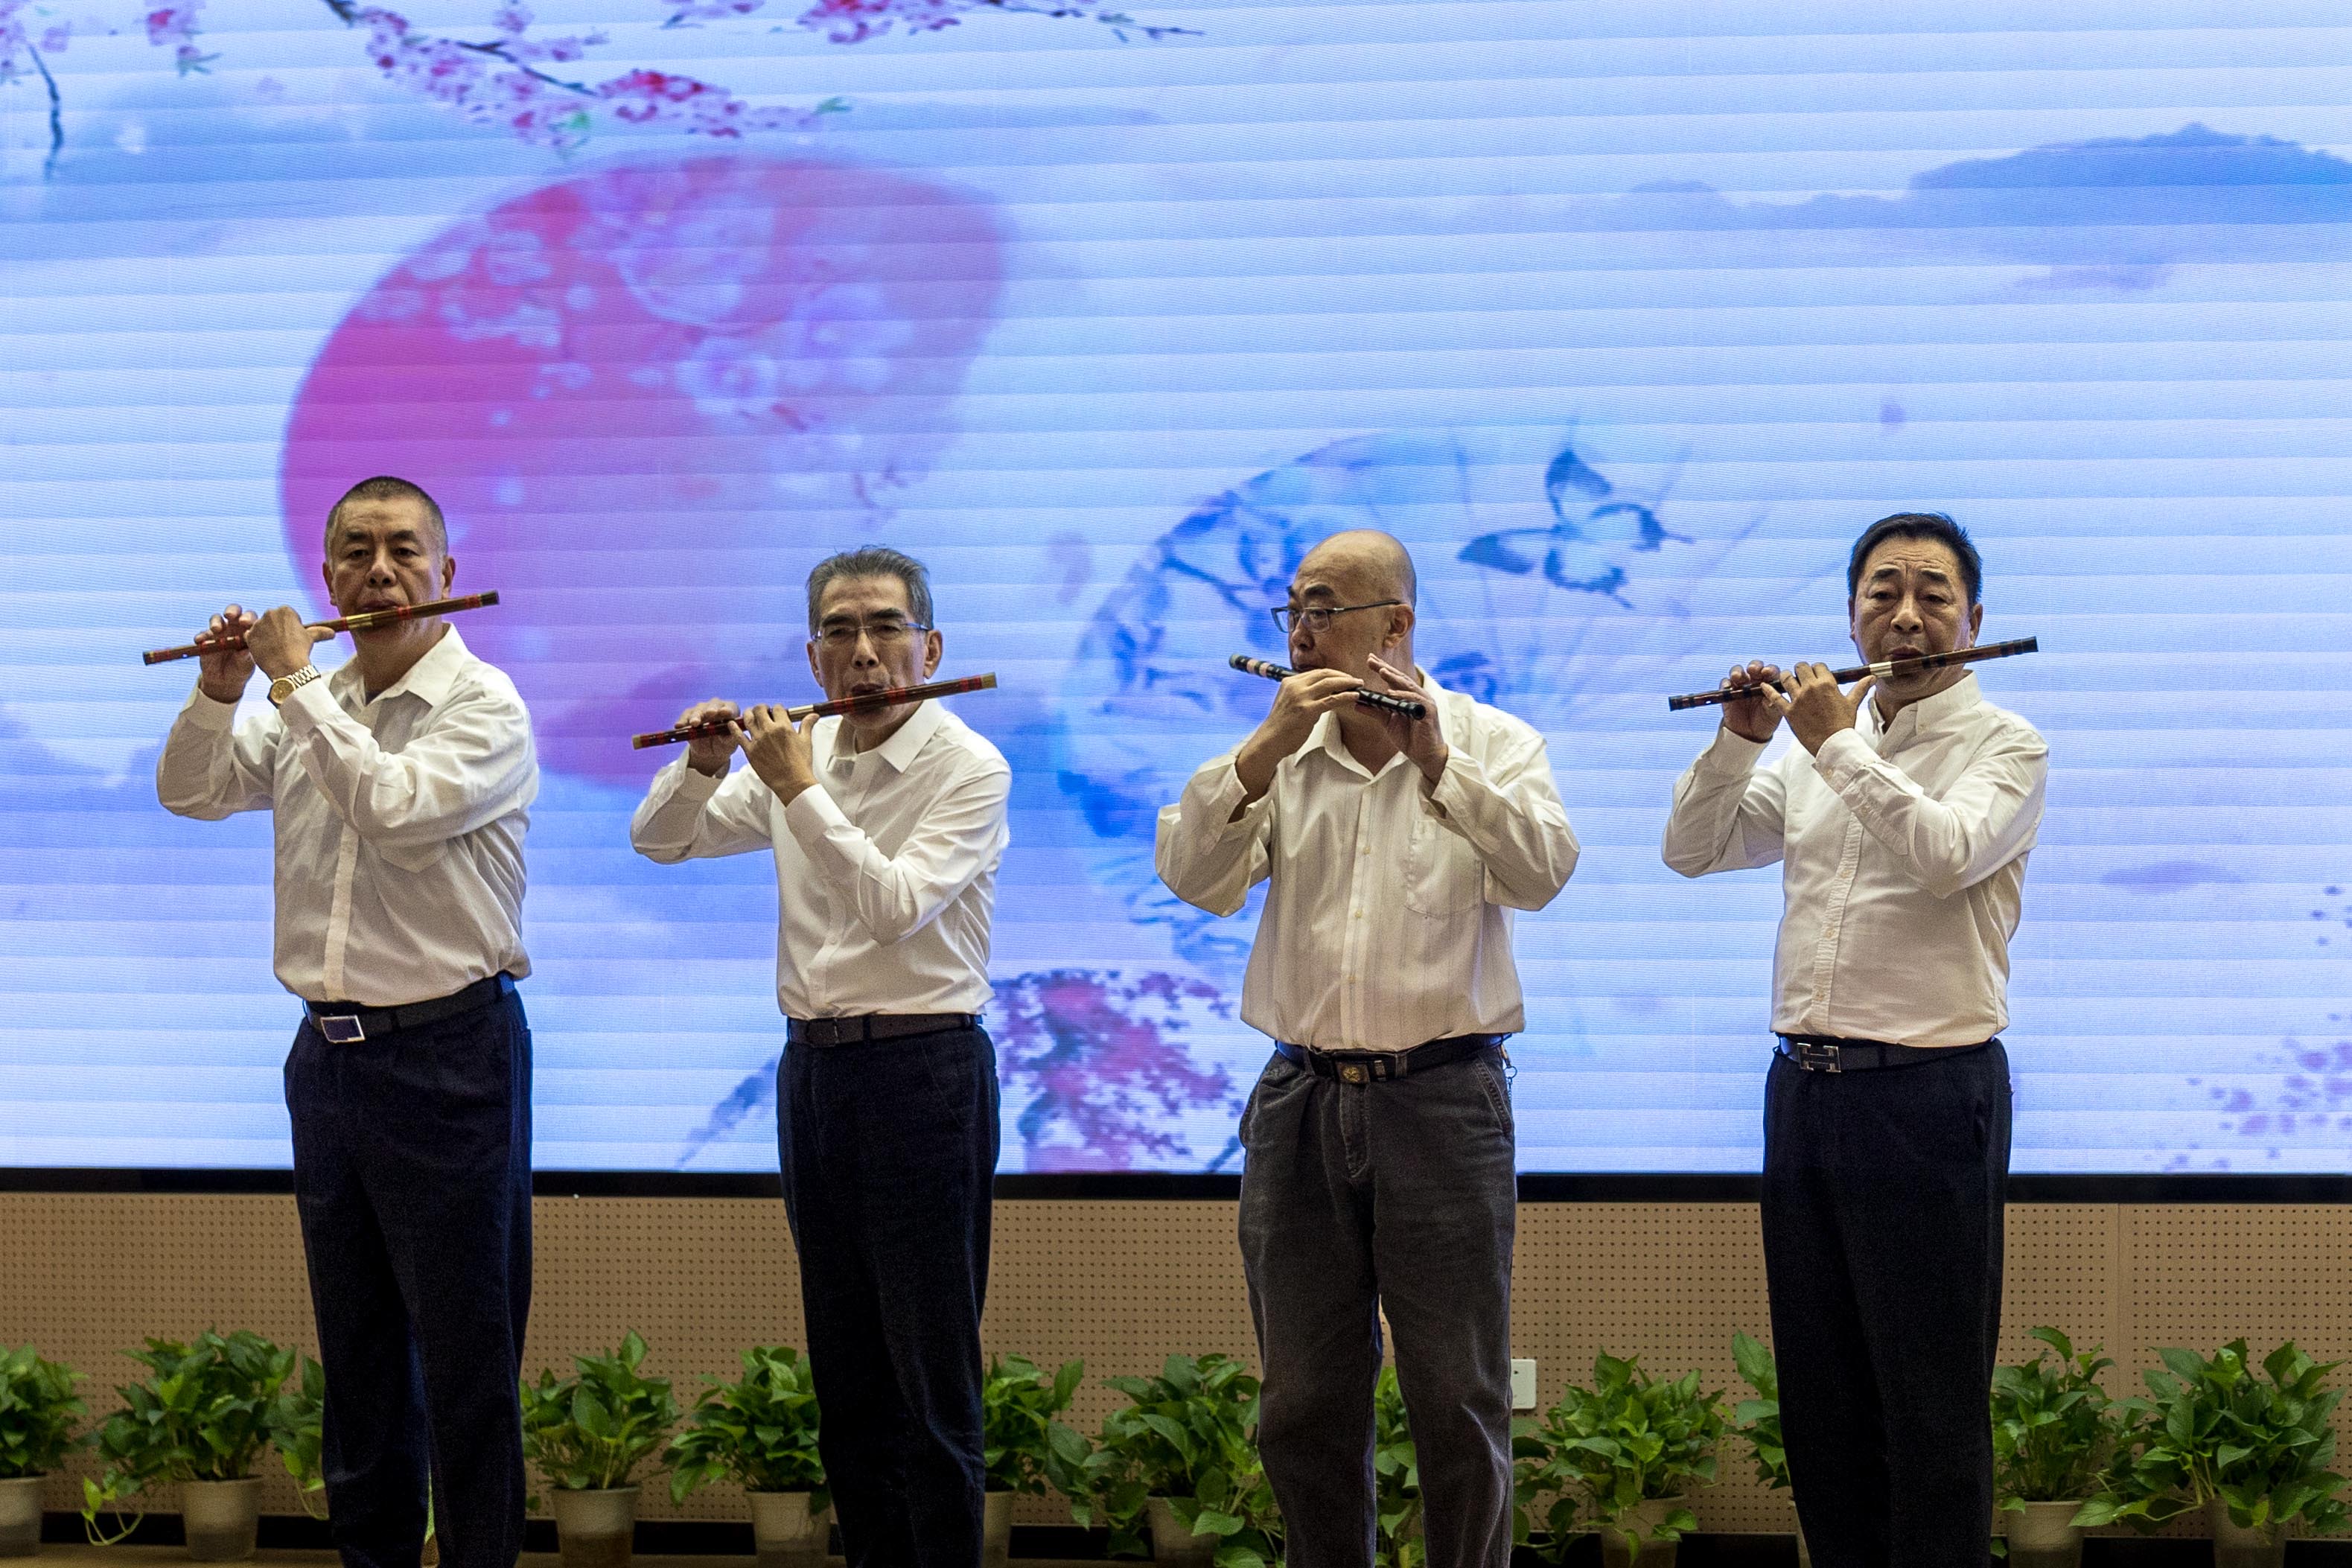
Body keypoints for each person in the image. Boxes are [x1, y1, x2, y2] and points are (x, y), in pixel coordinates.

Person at [1155, 529, 1578, 1568]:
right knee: (1302, 1399)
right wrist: (1259, 754)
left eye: (1323, 608)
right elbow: (1193, 879)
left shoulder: (1493, 739)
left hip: (1444, 1100)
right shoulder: (1283, 751)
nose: (1299, 632)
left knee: (1457, 1394)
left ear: (1396, 623)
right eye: (1292, 610)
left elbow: (1542, 873)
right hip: (1299, 1097)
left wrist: (1440, 764)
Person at [156, 475, 538, 1568]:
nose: (381, 572)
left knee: (466, 1360)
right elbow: (190, 790)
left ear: (445, 573)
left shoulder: (486, 705)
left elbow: (394, 809)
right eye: (357, 553)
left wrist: (288, 685)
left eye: (404, 551)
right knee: (359, 1356)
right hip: (327, 1060)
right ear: (326, 579)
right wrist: (222, 691)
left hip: (451, 1053)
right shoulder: (311, 702)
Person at [1660, 511, 2047, 1568]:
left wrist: (1831, 741)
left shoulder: (2007, 745)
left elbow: (1945, 853)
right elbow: (1692, 848)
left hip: (1930, 1097)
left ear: (1975, 619)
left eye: (1932, 594)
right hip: (1806, 1091)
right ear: (1851, 615)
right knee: (1821, 1397)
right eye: (1884, 593)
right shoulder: (1811, 750)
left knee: (1930, 1401)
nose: (1906, 615)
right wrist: (1742, 739)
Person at [629, 546, 1010, 1568]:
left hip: (926, 1072)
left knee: (930, 1372)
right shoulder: (807, 753)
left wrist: (797, 788)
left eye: (886, 627)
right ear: (812, 657)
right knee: (846, 1371)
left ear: (930, 646)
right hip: (817, 1076)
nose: (865, 652)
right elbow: (660, 841)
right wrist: (703, 766)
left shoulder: (968, 765)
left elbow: (894, 906)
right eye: (840, 632)